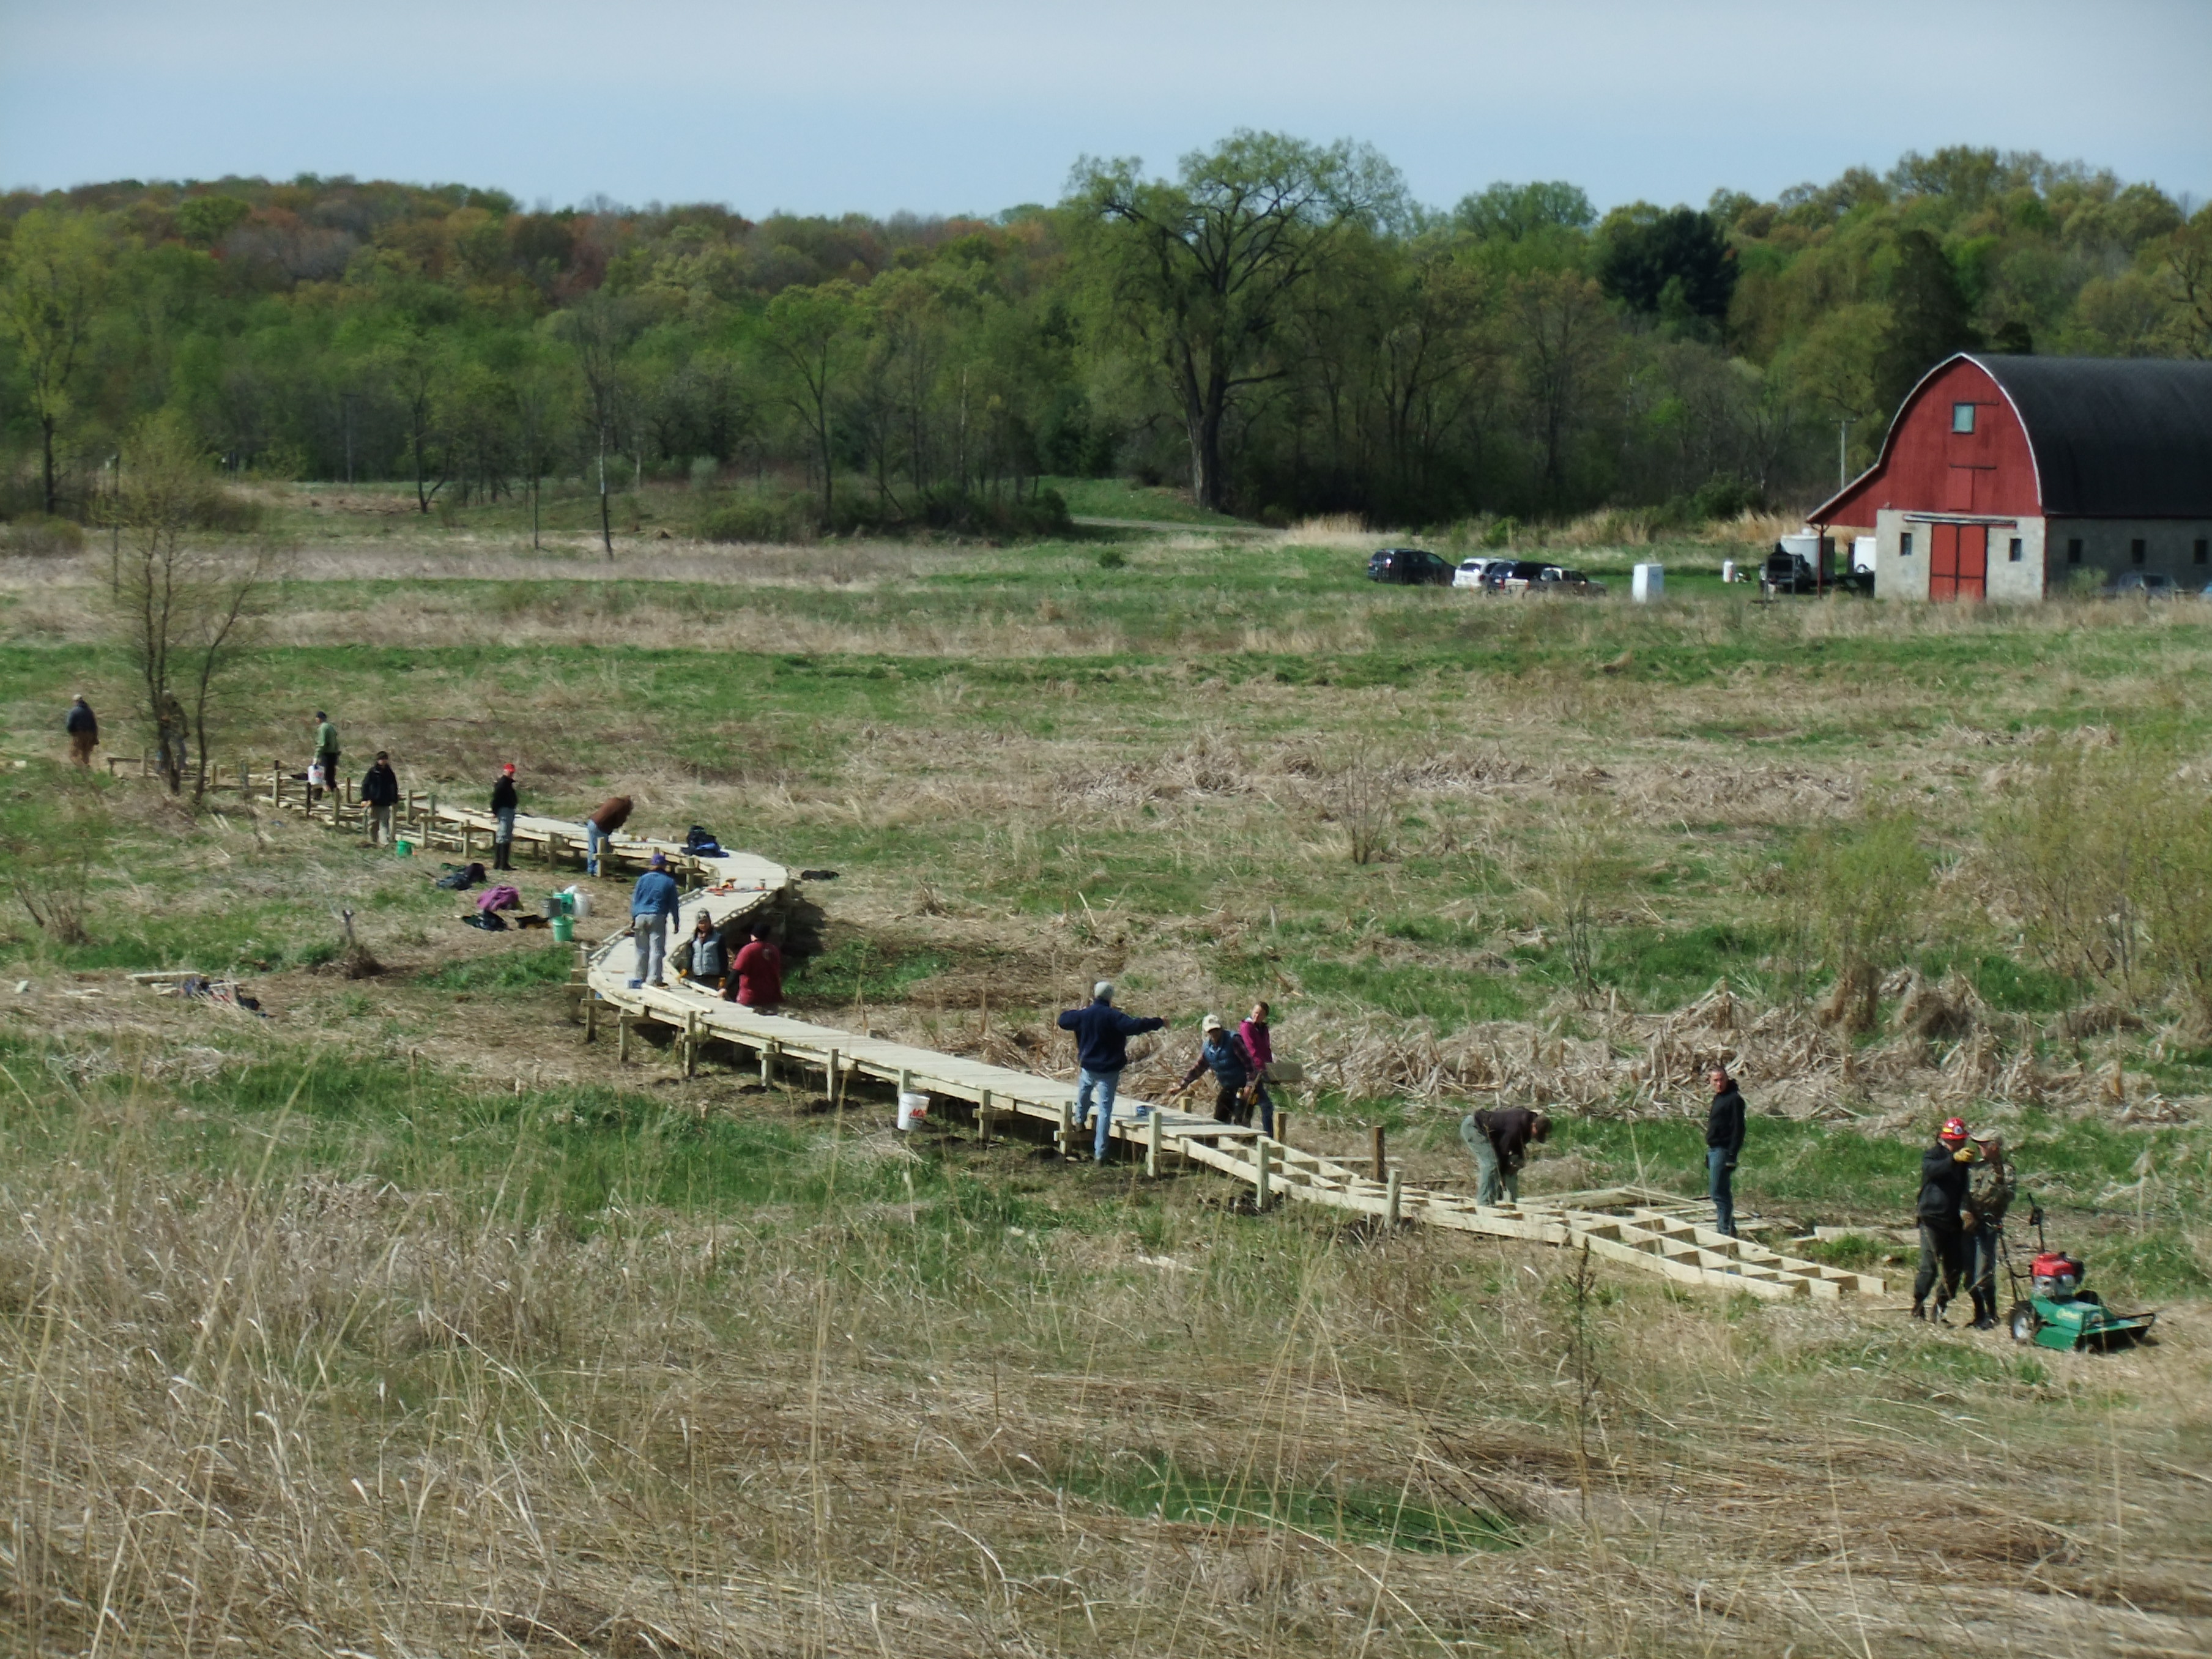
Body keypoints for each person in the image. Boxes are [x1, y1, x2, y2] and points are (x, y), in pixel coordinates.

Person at [1056, 981, 1169, 1162]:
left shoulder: (1084, 1015)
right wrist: (1159, 1022)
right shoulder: (1114, 1017)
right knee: (1104, 1110)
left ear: (1095, 995)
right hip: (1109, 1070)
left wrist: (1079, 1012)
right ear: (1111, 997)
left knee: (1084, 1091)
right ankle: (1100, 1154)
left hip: (1088, 1066)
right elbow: (1135, 1026)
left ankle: (1079, 1121)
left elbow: (1063, 1020)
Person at [1913, 1115, 1978, 1322]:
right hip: (1931, 1219)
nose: (1960, 1145)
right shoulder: (1933, 1156)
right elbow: (1931, 1170)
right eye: (1956, 1141)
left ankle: (1941, 1307)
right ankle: (1918, 1304)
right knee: (1929, 1267)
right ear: (1945, 1140)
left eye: (1962, 1141)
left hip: (1953, 1221)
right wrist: (1953, 1160)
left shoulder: (1964, 1162)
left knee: (1954, 1269)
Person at [1961, 1132, 2014, 1331]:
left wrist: (1998, 1180)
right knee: (1968, 1273)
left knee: (1983, 1274)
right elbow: (1963, 1193)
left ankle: (1992, 1315)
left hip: (1988, 1226)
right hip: (1969, 1226)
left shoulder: (2006, 1170)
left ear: (1994, 1146)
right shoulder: (1973, 1168)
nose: (1979, 1147)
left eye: (1983, 1144)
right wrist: (1966, 1214)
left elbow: (2007, 1196)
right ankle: (1979, 1314)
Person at [1169, 1014, 1260, 1129]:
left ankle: (1248, 1143)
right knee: (1219, 1122)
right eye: (1211, 1031)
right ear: (1207, 1032)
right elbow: (1198, 1069)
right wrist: (1182, 1086)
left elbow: (1250, 1064)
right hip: (1228, 1088)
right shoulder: (1208, 1048)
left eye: (1216, 1030)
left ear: (1221, 1028)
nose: (1214, 1033)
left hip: (1245, 1087)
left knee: (1241, 1122)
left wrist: (1250, 1086)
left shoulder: (1234, 1040)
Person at [1460, 1105, 1549, 1205]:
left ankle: (1507, 1201)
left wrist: (1515, 1165)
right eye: (1536, 1135)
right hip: (1475, 1128)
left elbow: (1513, 1151)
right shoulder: (1515, 1129)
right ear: (1534, 1126)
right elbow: (1502, 1153)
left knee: (1511, 1164)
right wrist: (1503, 1176)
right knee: (1491, 1164)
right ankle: (1484, 1203)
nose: (1534, 1138)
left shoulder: (1527, 1122)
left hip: (1490, 1134)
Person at [629, 851, 682, 985]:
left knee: (641, 950)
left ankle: (640, 977)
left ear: (652, 865)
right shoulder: (669, 882)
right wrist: (676, 922)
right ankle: (654, 979)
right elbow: (674, 904)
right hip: (657, 916)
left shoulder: (643, 879)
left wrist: (633, 917)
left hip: (640, 916)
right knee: (657, 950)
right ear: (665, 866)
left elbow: (635, 899)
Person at [1706, 1066, 1748, 1238]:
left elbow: (1739, 1129)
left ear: (1727, 1079)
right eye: (1715, 1080)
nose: (1719, 1083)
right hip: (1714, 1150)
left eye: (1721, 1079)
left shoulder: (1734, 1100)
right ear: (1710, 1082)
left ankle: (1724, 1230)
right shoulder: (1718, 1098)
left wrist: (1732, 1155)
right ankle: (1729, 1227)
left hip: (1724, 1151)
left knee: (1718, 1193)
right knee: (1722, 1191)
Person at [723, 922, 784, 1009]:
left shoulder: (748, 950)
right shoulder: (774, 950)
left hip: (751, 997)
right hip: (771, 996)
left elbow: (737, 971)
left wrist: (726, 988)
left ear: (754, 935)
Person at [1239, 1000, 1277, 1138]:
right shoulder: (1246, 1028)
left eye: (1260, 1014)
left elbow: (1266, 1050)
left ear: (1265, 1016)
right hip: (1250, 1071)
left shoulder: (1263, 1029)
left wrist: (1272, 1070)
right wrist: (1262, 1069)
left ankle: (1244, 1133)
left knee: (1251, 1103)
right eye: (1255, 1013)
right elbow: (1252, 1050)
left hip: (1261, 1071)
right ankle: (1269, 1137)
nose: (1257, 1016)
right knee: (1266, 1105)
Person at [677, 910, 728, 990]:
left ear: (710, 922)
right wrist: (685, 969)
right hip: (698, 975)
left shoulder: (718, 938)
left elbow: (723, 958)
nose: (704, 925)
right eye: (701, 923)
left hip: (713, 976)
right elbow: (691, 956)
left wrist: (723, 976)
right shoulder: (694, 938)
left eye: (706, 922)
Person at [586, 794, 633, 877]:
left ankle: (591, 870)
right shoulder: (622, 808)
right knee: (602, 850)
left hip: (592, 822)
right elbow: (619, 822)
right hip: (600, 826)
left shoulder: (614, 800)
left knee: (592, 848)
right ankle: (598, 870)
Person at [359, 751, 401, 844]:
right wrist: (365, 799)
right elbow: (365, 785)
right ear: (378, 760)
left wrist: (394, 799)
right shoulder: (372, 772)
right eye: (381, 759)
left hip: (386, 803)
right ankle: (373, 841)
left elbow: (394, 786)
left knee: (384, 824)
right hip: (373, 802)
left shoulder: (390, 773)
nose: (383, 761)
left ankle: (384, 842)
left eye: (385, 759)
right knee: (373, 824)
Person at [490, 763, 519, 871]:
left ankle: (500, 863)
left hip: (508, 810)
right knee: (504, 836)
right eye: (509, 772)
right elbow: (495, 799)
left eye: (512, 772)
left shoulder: (508, 784)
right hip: (504, 810)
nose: (511, 774)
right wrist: (495, 811)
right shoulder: (502, 784)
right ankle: (502, 864)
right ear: (505, 771)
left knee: (504, 835)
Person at [311, 711, 340, 803]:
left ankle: (317, 798)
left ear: (319, 719)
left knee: (319, 776)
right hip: (333, 755)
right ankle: (337, 797)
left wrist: (316, 756)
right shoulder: (331, 727)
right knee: (330, 777)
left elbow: (322, 744)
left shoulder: (323, 728)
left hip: (326, 755)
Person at [65, 695, 98, 766]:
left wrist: (72, 732)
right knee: (85, 755)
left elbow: (70, 724)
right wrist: (95, 738)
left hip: (79, 735)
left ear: (76, 702)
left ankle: (81, 769)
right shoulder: (89, 711)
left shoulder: (74, 711)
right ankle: (86, 769)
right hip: (90, 735)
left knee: (73, 755)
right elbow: (94, 725)